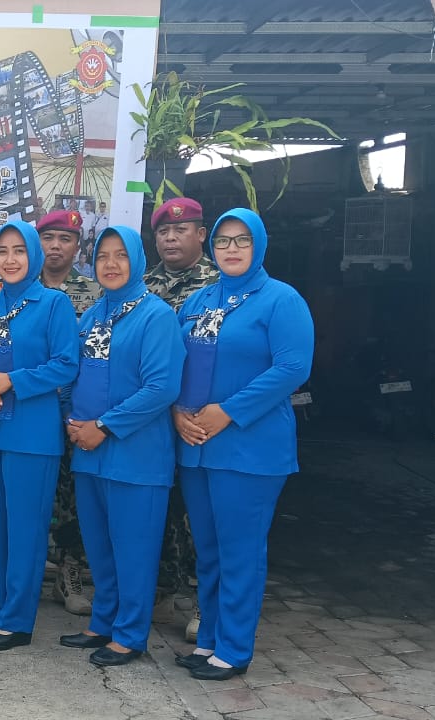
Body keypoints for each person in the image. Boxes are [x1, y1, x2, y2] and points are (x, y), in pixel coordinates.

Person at [173, 208, 314, 680]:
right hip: (197, 444)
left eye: (241, 240)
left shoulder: (281, 300)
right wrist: (176, 411)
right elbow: (175, 363)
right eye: (223, 240)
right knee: (209, 551)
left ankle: (233, 650)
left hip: (249, 448)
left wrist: (229, 410)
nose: (231, 249)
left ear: (259, 244)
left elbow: (293, 367)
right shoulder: (198, 301)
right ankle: (209, 640)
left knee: (240, 551)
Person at [57, 226, 184, 667]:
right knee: (100, 546)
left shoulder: (156, 316)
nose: (110, 264)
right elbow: (72, 375)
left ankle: (130, 635)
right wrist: (73, 421)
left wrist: (104, 426)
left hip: (136, 456)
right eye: (102, 256)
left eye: (120, 255)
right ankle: (103, 622)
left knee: (134, 549)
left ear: (137, 260)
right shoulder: (92, 316)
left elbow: (162, 387)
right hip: (89, 453)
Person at [0, 221, 79, 652]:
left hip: (31, 432)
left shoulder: (53, 304)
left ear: (34, 255)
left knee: (26, 528)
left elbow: (67, 364)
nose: (10, 259)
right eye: (2, 251)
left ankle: (18, 620)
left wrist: (11, 380)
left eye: (19, 251)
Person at [144, 197, 221, 640]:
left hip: (200, 419)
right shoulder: (143, 285)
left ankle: (201, 601)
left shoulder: (220, 284)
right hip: (155, 418)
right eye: (163, 232)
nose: (171, 238)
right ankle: (161, 590)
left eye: (181, 230)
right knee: (161, 507)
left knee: (199, 515)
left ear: (200, 234)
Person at [36, 208, 102, 617]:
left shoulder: (95, 293)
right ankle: (26, 571)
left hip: (79, 411)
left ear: (78, 246)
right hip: (32, 407)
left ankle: (69, 571)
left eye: (65, 239)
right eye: (49, 238)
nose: (56, 246)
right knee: (33, 494)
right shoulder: (21, 288)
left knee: (74, 496)